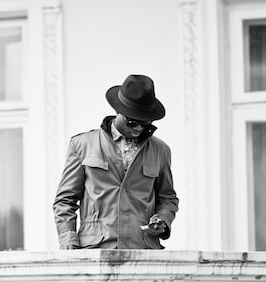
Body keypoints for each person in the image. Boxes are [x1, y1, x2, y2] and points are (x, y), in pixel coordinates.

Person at [53, 74, 179, 249]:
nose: (138, 128)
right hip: (95, 250)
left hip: (142, 251)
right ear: (118, 111)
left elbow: (168, 198)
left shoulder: (160, 150)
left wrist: (163, 220)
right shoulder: (82, 144)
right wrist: (68, 239)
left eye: (145, 124)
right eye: (132, 122)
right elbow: (65, 200)